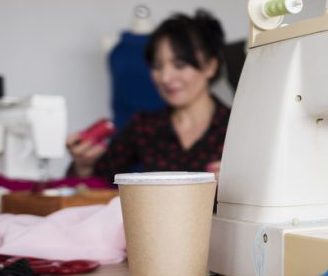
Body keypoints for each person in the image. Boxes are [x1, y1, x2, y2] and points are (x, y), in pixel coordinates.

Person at [67, 10, 231, 184]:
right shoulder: (144, 127)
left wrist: (240, 183)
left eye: (179, 65)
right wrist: (84, 165)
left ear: (210, 66)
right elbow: (95, 186)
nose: (165, 78)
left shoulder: (238, 129)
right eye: (157, 66)